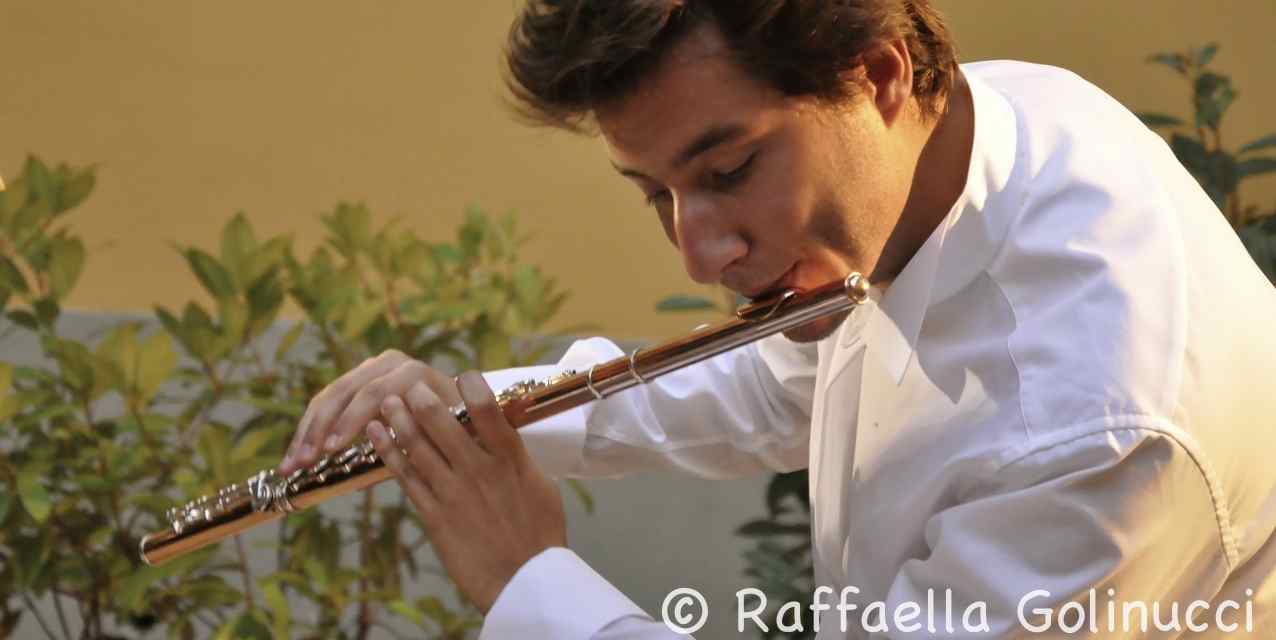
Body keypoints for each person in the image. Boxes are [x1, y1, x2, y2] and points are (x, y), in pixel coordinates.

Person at [277, 1, 1276, 637]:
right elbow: (779, 380)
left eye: (726, 173)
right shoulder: (975, 135)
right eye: (652, 192)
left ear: (878, 74)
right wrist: (477, 415)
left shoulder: (1097, 429)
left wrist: (531, 579)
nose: (699, 254)